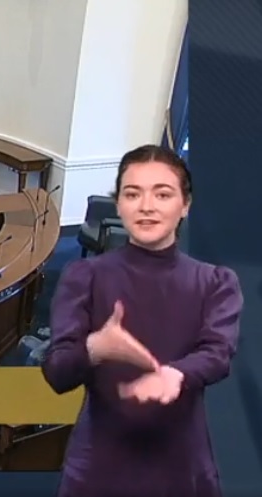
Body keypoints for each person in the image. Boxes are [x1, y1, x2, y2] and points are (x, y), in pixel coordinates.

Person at [42, 144, 243, 497]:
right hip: (100, 462)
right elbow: (58, 373)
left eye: (163, 194)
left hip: (181, 461)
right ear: (118, 204)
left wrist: (176, 373)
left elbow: (218, 354)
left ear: (186, 204)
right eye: (132, 194)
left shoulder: (215, 282)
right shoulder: (85, 276)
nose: (146, 206)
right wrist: (94, 348)